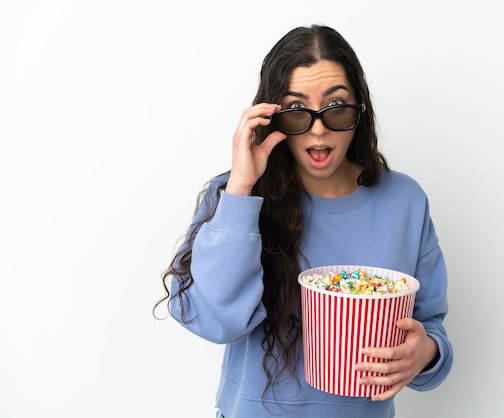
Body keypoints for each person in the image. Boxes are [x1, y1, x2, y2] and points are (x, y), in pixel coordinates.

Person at [155, 24, 453, 418]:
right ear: (272, 118)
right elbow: (215, 321)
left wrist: (427, 352)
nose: (318, 128)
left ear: (359, 113)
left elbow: (429, 323)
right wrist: (243, 185)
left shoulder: (405, 201)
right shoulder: (236, 197)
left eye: (337, 108)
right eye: (297, 111)